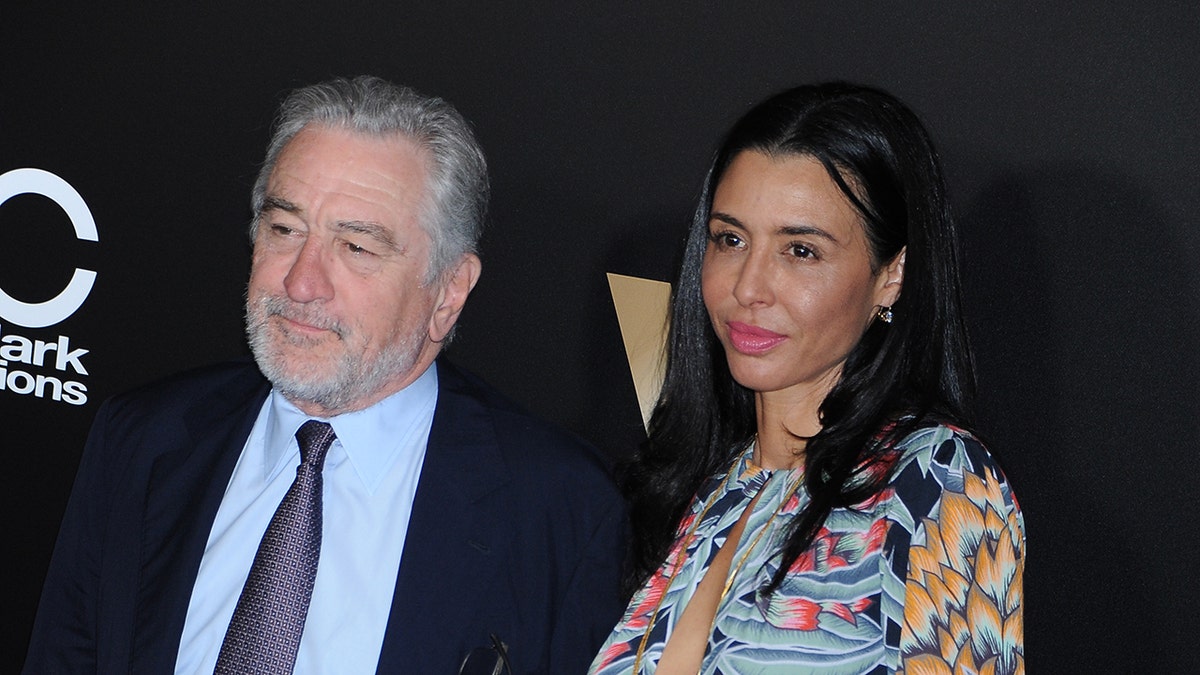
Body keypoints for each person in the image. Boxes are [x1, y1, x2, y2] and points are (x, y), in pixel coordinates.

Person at [24, 75, 627, 674]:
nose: (300, 282)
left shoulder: (558, 510)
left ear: (448, 292)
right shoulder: (142, 438)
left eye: (356, 248)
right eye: (285, 230)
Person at [590, 83, 1024, 674]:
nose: (748, 287)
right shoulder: (717, 492)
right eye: (731, 239)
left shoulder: (933, 481)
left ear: (891, 274)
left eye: (800, 250)